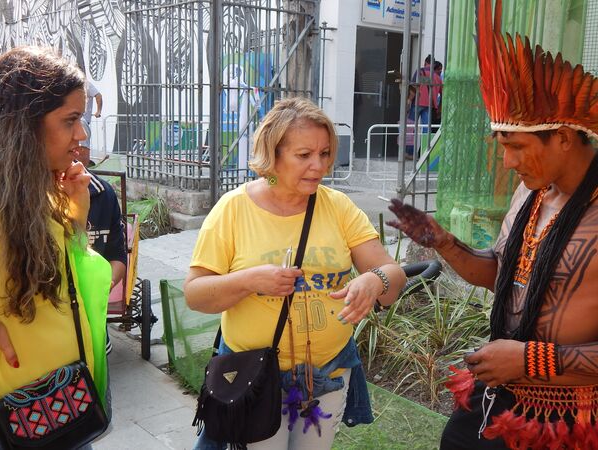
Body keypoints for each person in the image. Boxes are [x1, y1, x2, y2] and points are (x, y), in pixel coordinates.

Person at [388, 0, 598, 448]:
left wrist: (531, 360)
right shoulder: (530, 193)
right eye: (502, 144)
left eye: (518, 146)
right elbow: (502, 273)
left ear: (562, 137)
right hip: (500, 399)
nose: (507, 161)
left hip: (571, 422)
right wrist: (443, 242)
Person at [184, 97, 406, 450]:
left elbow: (393, 276)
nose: (318, 165)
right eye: (304, 155)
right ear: (273, 155)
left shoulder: (338, 206)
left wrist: (373, 279)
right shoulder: (233, 209)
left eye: (324, 153)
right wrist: (251, 280)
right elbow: (195, 294)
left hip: (328, 375)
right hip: (257, 378)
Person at [0, 46, 111, 449]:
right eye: (70, 120)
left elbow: (72, 284)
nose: (81, 134)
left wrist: (76, 218)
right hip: (15, 417)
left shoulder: (42, 193)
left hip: (65, 402)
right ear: (23, 125)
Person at [76, 146, 127, 355]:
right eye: (68, 123)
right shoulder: (24, 199)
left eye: (84, 143)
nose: (77, 140)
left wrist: (103, 287)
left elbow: (118, 256)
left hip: (94, 321)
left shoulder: (105, 194)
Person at [405, 55, 443, 159]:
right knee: (426, 130)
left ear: (425, 62)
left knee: (411, 127)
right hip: (430, 106)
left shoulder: (420, 71)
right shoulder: (437, 77)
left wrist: (409, 100)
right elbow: (442, 94)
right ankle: (424, 153)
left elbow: (414, 87)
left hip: (417, 103)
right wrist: (439, 107)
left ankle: (409, 153)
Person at [79, 80, 102, 153]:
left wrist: (98, 111)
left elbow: (98, 95)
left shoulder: (86, 84)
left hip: (82, 120)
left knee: (83, 145)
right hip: (75, 120)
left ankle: (83, 161)